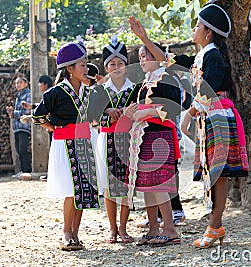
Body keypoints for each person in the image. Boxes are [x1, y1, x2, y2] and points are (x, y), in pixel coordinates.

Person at [129, 1, 249, 249]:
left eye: (197, 25)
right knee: (214, 172)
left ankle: (215, 225)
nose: (193, 29)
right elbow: (168, 60)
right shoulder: (202, 55)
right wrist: (145, 37)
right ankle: (215, 226)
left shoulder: (214, 56)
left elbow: (209, 92)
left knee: (219, 173)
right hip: (210, 118)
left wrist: (188, 113)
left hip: (218, 116)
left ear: (208, 32)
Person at [32, 39, 99, 251]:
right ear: (69, 68)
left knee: (82, 190)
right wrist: (52, 128)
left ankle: (76, 233)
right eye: (82, 65)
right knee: (72, 189)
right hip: (65, 144)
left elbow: (96, 116)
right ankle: (66, 233)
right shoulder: (56, 93)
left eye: (86, 64)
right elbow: (37, 116)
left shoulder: (88, 92)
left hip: (85, 142)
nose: (86, 69)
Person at [123, 41, 182, 246]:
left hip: (160, 135)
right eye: (139, 57)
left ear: (157, 56)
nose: (141, 60)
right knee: (147, 184)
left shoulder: (167, 78)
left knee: (159, 182)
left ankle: (170, 229)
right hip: (145, 135)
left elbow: (174, 108)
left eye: (145, 55)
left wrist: (147, 112)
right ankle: (153, 228)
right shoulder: (146, 82)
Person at [89, 36, 136, 244]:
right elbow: (91, 114)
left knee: (125, 184)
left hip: (128, 139)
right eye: (112, 64)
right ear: (106, 67)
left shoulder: (134, 87)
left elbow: (139, 110)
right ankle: (112, 229)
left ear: (126, 65)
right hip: (106, 138)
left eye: (120, 63)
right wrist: (106, 111)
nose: (116, 67)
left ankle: (124, 228)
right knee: (109, 185)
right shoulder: (99, 89)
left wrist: (127, 112)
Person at [6, 77, 32, 178]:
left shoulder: (28, 95)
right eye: (16, 83)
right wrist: (11, 113)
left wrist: (14, 113)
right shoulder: (18, 97)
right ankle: (23, 170)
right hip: (17, 126)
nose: (18, 85)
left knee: (22, 149)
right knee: (18, 149)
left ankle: (27, 170)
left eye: (20, 82)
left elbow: (26, 112)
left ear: (26, 84)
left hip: (24, 126)